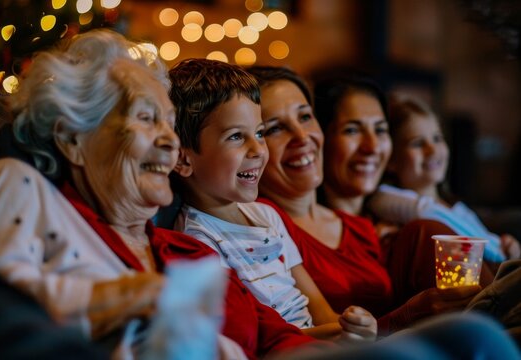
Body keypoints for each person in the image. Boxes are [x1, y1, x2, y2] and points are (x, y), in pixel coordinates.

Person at [0, 29, 318, 360]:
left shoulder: (190, 251)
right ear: (72, 138)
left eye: (169, 124)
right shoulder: (25, 187)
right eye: (146, 118)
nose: (169, 141)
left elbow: (276, 337)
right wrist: (132, 295)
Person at [247, 66, 481, 335]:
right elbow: (307, 335)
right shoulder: (263, 226)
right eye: (275, 129)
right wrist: (411, 313)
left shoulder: (359, 227)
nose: (302, 137)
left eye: (305, 117)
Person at [168, 58, 377, 343]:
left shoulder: (268, 216)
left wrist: (352, 326)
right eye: (236, 137)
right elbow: (258, 340)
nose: (258, 149)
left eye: (259, 133)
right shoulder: (196, 244)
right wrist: (339, 335)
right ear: (183, 158)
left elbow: (319, 309)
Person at [367, 92, 521, 264]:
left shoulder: (458, 209)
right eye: (417, 143)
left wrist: (506, 246)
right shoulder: (385, 199)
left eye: (437, 138)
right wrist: (498, 251)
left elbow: (489, 241)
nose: (433, 150)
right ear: (391, 159)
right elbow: (427, 212)